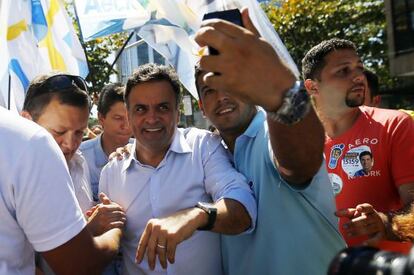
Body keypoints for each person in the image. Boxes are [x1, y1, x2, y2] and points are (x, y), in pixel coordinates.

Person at [194, 9, 345, 275]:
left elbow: (298, 164)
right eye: (209, 90)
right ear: (201, 107)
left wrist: (281, 96)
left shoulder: (271, 131)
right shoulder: (207, 153)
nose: (222, 98)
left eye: (231, 85)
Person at [99, 64, 257, 275]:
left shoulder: (202, 146)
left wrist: (196, 216)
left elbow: (243, 208)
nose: (152, 118)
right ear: (128, 115)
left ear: (177, 112)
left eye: (162, 107)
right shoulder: (111, 173)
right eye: (141, 109)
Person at [302, 38, 414, 252]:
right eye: (343, 71)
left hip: (385, 265)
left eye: (359, 68)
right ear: (312, 86)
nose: (358, 77)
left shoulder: (394, 124)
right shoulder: (299, 142)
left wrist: (387, 223)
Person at [0, 107, 122, 274]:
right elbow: (79, 264)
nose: (70, 144)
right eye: (59, 131)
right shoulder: (30, 141)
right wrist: (116, 231)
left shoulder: (80, 161)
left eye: (79, 132)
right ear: (27, 119)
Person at [80, 83, 132, 201]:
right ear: (101, 118)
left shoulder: (146, 153)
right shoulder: (80, 157)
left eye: (130, 117)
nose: (126, 125)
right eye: (118, 118)